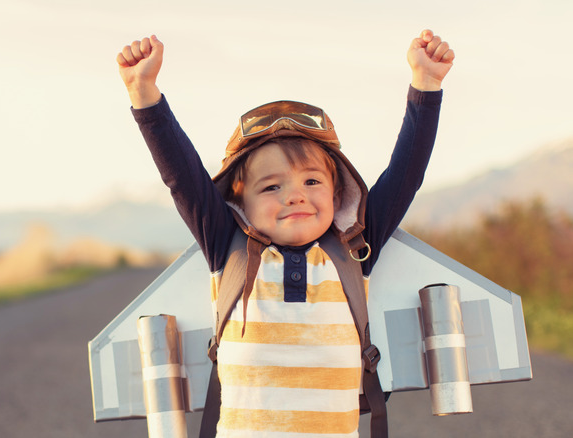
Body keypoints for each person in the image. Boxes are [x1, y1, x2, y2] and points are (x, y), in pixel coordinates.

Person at [117, 30, 454, 438]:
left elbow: (406, 174)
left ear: (337, 191)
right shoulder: (228, 247)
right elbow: (180, 177)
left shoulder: (353, 249)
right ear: (242, 202)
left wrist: (426, 84)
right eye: (272, 187)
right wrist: (144, 92)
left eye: (312, 181)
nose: (295, 196)